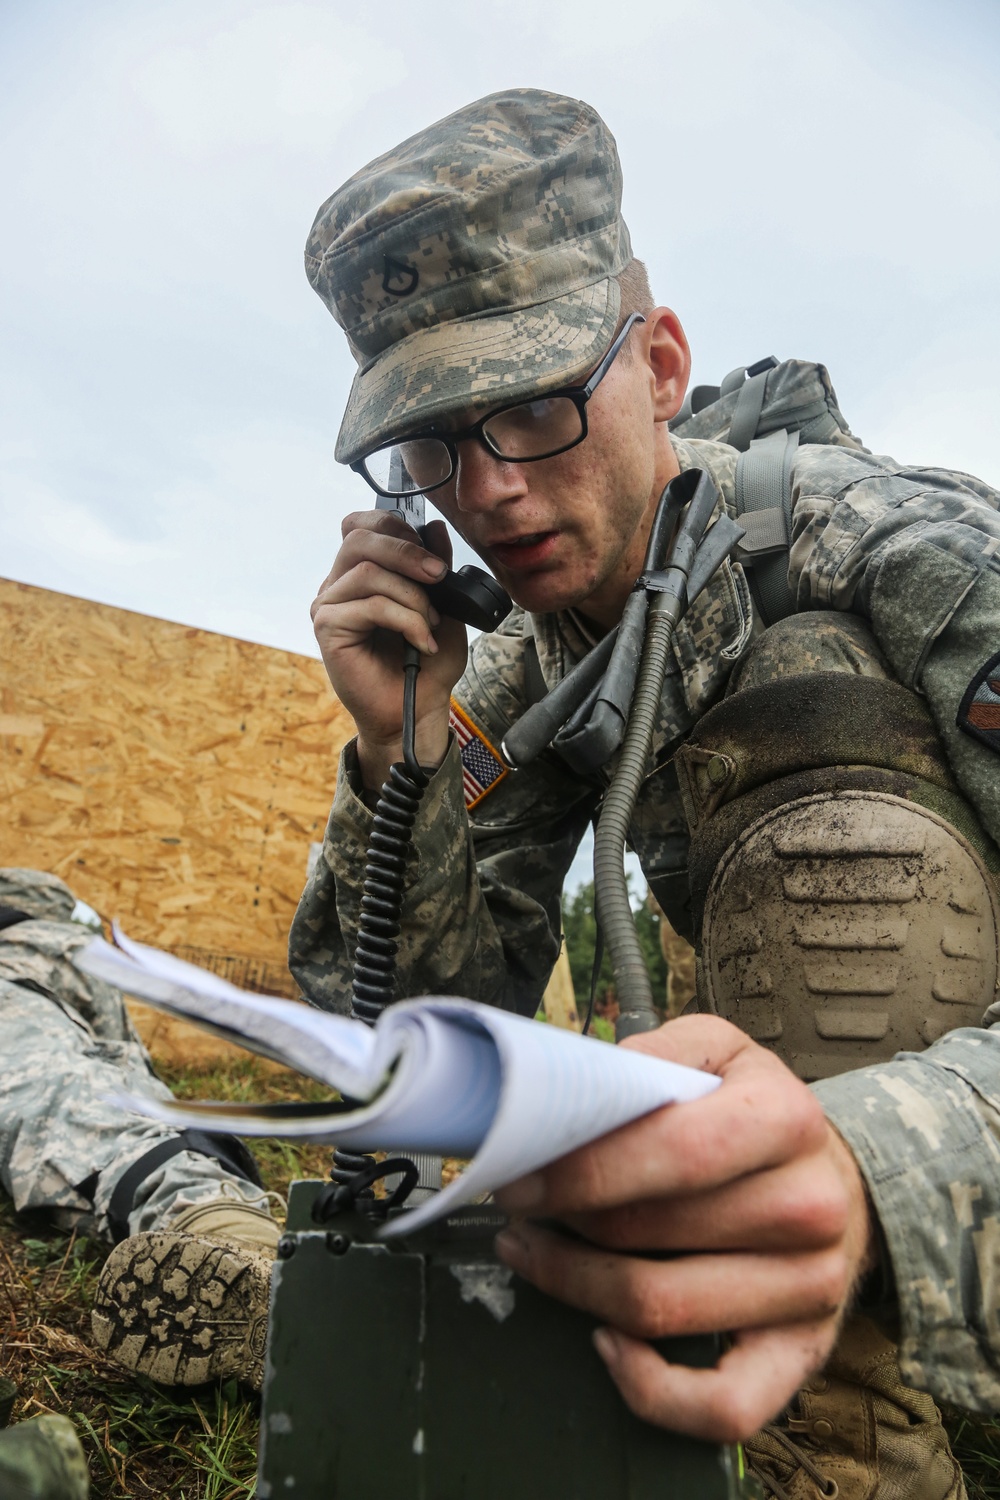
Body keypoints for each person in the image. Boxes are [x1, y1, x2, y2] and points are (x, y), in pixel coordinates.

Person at [289, 88, 1000, 1498]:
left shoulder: (897, 553)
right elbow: (421, 1056)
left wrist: (880, 1160)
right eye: (433, 445)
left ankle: (849, 1448)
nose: (485, 491)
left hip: (937, 1134)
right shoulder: (510, 670)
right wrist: (407, 763)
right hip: (809, 1151)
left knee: (814, 719)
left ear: (660, 366)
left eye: (535, 412)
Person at [0, 868, 281, 1388]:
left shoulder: (33, 926)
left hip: (22, 974)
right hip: (49, 966)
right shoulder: (59, 929)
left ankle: (221, 1230)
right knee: (100, 1090)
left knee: (67, 1099)